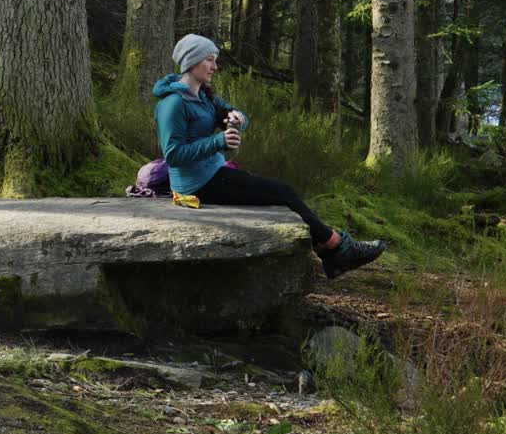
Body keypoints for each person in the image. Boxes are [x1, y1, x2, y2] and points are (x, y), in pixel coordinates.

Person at [153, 33, 386, 279]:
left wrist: (237, 118)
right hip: (196, 187)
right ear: (192, 61)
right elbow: (173, 155)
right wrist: (217, 141)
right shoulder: (173, 104)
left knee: (281, 193)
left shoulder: (202, 96)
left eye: (215, 60)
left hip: (214, 174)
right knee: (282, 193)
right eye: (209, 60)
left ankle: (331, 250)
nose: (215, 66)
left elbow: (234, 113)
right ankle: (336, 247)